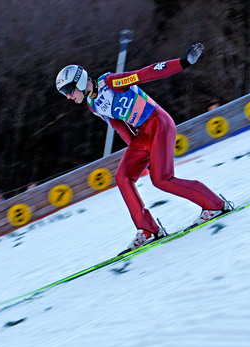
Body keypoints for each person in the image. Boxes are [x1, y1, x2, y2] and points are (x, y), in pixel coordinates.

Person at [55, 43, 233, 253]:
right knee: (123, 177)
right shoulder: (93, 105)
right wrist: (139, 154)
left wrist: (183, 63)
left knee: (161, 179)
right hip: (142, 134)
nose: (68, 96)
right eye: (64, 93)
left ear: (81, 81)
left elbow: (144, 74)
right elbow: (119, 126)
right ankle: (147, 229)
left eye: (68, 90)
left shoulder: (110, 83)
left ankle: (214, 205)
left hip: (158, 123)